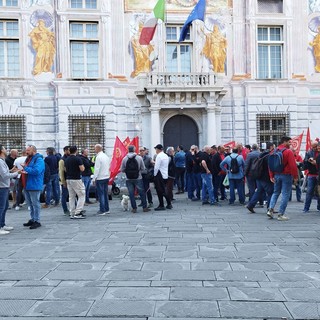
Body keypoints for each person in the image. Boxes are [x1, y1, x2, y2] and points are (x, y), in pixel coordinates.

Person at [267, 137, 298, 221]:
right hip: (286, 175)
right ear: (284, 142)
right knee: (285, 194)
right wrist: (295, 177)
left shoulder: (274, 151)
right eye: (289, 142)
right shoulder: (288, 152)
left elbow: (270, 165)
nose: (290, 144)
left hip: (276, 174)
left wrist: (271, 176)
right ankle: (281, 214)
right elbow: (293, 166)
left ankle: (270, 209)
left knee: (276, 192)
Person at [246, 142, 275, 213]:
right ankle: (270, 208)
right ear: (271, 147)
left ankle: (250, 205)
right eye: (273, 147)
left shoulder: (261, 155)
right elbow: (270, 167)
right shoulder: (269, 156)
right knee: (271, 192)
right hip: (266, 177)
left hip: (259, 176)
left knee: (259, 191)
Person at [21, 145, 45, 229]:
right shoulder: (28, 159)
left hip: (34, 185)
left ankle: (37, 221)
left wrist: (25, 168)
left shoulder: (39, 160)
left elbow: (37, 171)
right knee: (30, 204)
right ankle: (32, 218)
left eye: (28, 150)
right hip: (27, 185)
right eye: (26, 150)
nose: (26, 152)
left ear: (33, 151)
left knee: (35, 203)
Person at [121, 145, 150, 213]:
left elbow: (122, 169)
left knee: (131, 193)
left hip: (128, 178)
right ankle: (144, 207)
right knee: (141, 192)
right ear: (134, 150)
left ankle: (134, 208)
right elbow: (143, 168)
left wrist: (127, 171)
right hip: (138, 177)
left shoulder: (124, 158)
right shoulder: (139, 158)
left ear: (128, 150)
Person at [0, 145, 19, 235]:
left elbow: (5, 173)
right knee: (1, 207)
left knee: (5, 206)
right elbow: (5, 176)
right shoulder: (0, 162)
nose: (6, 150)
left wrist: (11, 170)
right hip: (2, 187)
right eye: (4, 148)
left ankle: (2, 224)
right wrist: (16, 173)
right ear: (1, 151)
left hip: (4, 186)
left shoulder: (2, 161)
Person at [65, 146, 86, 219]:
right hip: (76, 178)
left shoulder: (67, 159)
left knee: (71, 196)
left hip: (68, 178)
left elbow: (65, 169)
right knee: (82, 195)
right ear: (76, 151)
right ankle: (78, 212)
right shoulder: (78, 159)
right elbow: (82, 169)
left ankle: (72, 212)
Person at [93, 144, 110, 216]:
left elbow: (97, 169)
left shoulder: (98, 157)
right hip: (106, 176)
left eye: (95, 149)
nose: (94, 150)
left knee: (101, 194)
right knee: (105, 193)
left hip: (100, 177)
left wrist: (94, 178)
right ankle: (107, 209)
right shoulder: (106, 156)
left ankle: (102, 210)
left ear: (97, 149)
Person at [302, 141, 320, 212]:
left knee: (319, 192)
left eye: (316, 146)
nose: (314, 148)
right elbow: (305, 163)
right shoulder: (309, 152)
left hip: (318, 174)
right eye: (313, 147)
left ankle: (319, 207)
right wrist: (308, 160)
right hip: (311, 174)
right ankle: (306, 208)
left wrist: (316, 163)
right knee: (309, 191)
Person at [153, 144, 172, 211]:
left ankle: (162, 205)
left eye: (156, 149)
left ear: (158, 149)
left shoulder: (159, 156)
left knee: (160, 191)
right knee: (163, 189)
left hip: (159, 175)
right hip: (165, 174)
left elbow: (156, 167)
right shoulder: (165, 155)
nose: (155, 150)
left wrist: (154, 175)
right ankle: (168, 203)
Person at [59, 146, 70, 215]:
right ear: (65, 151)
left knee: (72, 195)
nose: (70, 151)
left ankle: (74, 208)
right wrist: (63, 182)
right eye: (68, 150)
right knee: (64, 195)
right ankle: (65, 209)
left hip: (70, 179)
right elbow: (61, 172)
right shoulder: (62, 160)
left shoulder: (69, 158)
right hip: (65, 181)